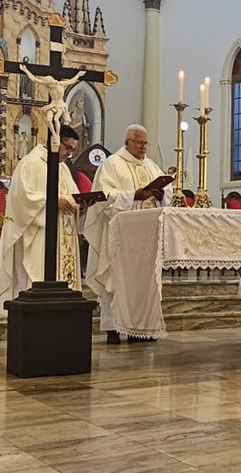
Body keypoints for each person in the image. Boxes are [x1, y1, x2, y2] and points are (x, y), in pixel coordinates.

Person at [85, 125, 172, 344]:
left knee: (143, 281)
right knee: (117, 279)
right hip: (120, 237)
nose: (143, 147)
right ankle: (113, 328)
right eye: (139, 143)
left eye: (145, 143)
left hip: (146, 236)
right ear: (127, 142)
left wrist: (161, 195)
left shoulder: (152, 166)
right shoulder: (112, 164)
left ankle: (139, 328)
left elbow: (168, 196)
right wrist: (134, 195)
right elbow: (104, 196)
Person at [0, 124, 81, 301]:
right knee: (36, 278)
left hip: (62, 234)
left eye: (72, 150)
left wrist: (80, 203)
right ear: (55, 142)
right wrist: (53, 201)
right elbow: (22, 198)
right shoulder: (30, 163)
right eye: (67, 148)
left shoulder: (63, 168)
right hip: (38, 234)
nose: (69, 154)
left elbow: (73, 195)